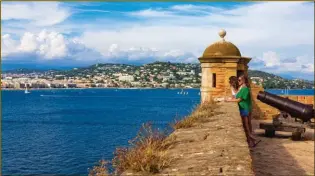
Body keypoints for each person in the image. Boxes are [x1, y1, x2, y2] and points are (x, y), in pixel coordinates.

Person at [226, 74, 261, 147]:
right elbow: (236, 96)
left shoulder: (245, 89)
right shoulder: (241, 88)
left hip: (244, 109)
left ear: (244, 80)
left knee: (246, 127)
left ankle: (252, 141)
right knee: (245, 127)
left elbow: (239, 99)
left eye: (239, 80)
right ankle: (252, 141)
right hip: (242, 108)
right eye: (238, 80)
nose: (238, 81)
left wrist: (228, 101)